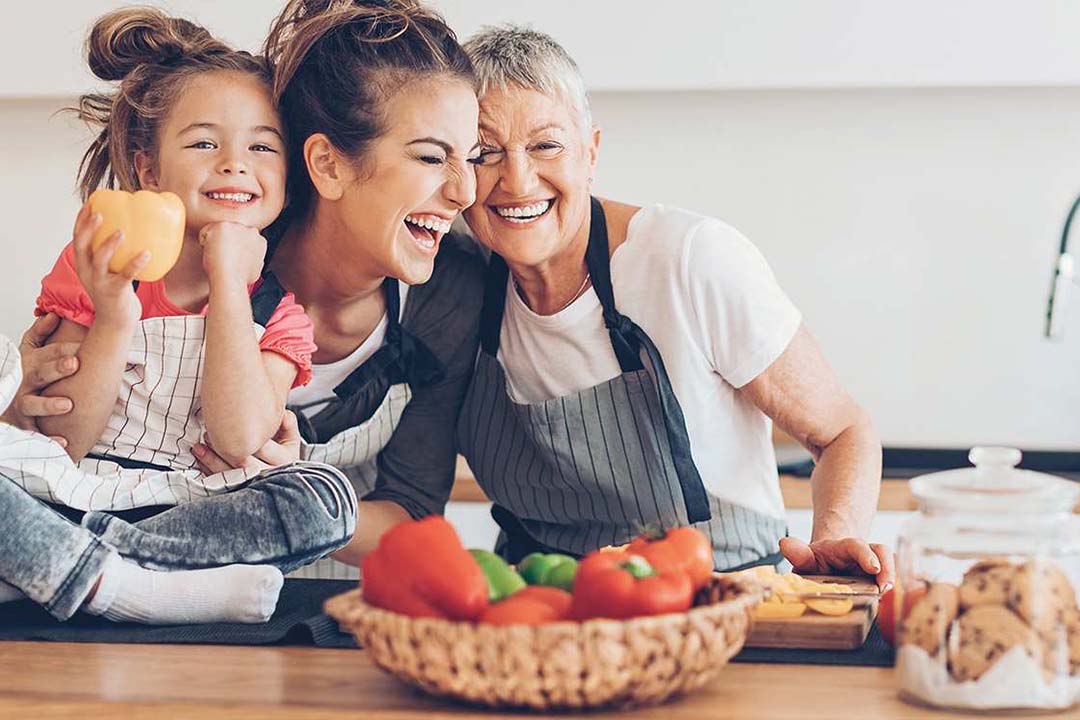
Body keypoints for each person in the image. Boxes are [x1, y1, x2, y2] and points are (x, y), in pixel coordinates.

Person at [6, 0, 485, 586]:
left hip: (272, 573)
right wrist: (28, 390)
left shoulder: (440, 295)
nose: (466, 191)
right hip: (83, 502)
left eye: (261, 147)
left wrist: (286, 479)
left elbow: (409, 514)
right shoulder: (155, 254)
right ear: (325, 165)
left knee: (318, 500)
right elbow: (56, 433)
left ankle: (125, 572)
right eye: (432, 156)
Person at [456, 26, 894, 588]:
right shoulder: (449, 281)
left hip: (724, 601)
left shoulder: (688, 260)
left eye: (546, 145)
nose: (516, 180)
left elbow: (843, 431)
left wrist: (831, 537)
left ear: (590, 152)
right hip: (542, 609)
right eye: (484, 152)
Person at [0, 8, 356, 624]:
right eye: (202, 143)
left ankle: (73, 571)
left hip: (190, 511)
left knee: (325, 498)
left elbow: (237, 438)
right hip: (74, 490)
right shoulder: (100, 264)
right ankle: (131, 588)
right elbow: (66, 440)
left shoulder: (280, 314)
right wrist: (114, 314)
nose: (233, 162)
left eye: (261, 146)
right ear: (147, 169)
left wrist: (228, 279)